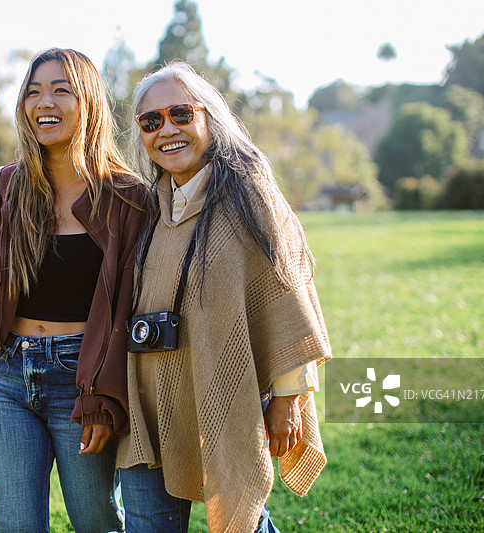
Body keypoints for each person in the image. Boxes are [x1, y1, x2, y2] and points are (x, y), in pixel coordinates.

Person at [117, 61, 333, 533]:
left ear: (210, 118)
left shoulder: (249, 192)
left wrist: (288, 398)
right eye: (150, 121)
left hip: (225, 395)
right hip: (148, 404)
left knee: (240, 520)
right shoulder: (150, 206)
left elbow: (287, 290)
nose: (166, 130)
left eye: (180, 113)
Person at [0, 48, 148, 533]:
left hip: (83, 380)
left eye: (60, 89)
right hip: (9, 374)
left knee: (95, 519)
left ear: (89, 102)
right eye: (33, 91)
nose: (43, 102)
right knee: (14, 525)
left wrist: (107, 394)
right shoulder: (0, 189)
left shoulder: (128, 198)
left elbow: (131, 308)